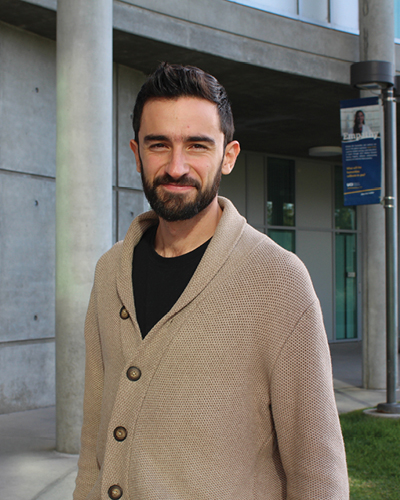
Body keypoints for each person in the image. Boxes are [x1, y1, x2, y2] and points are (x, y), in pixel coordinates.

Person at [73, 63, 349, 500]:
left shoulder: (278, 281)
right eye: (159, 144)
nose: (176, 166)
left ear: (229, 154)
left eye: (197, 145)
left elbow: (318, 472)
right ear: (136, 152)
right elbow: (95, 437)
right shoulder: (111, 271)